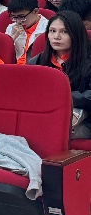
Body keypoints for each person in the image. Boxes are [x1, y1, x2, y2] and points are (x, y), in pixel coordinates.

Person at [28, 10, 91, 138]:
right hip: (43, 113)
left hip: (81, 118)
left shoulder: (88, 61)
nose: (56, 36)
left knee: (52, 132)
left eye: (64, 32)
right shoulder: (37, 61)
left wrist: (63, 98)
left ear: (76, 34)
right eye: (52, 31)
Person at [5, 0, 49, 64]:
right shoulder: (12, 28)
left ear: (35, 11)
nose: (18, 21)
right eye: (14, 17)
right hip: (14, 67)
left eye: (22, 17)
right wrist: (11, 39)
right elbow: (4, 56)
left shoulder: (48, 28)